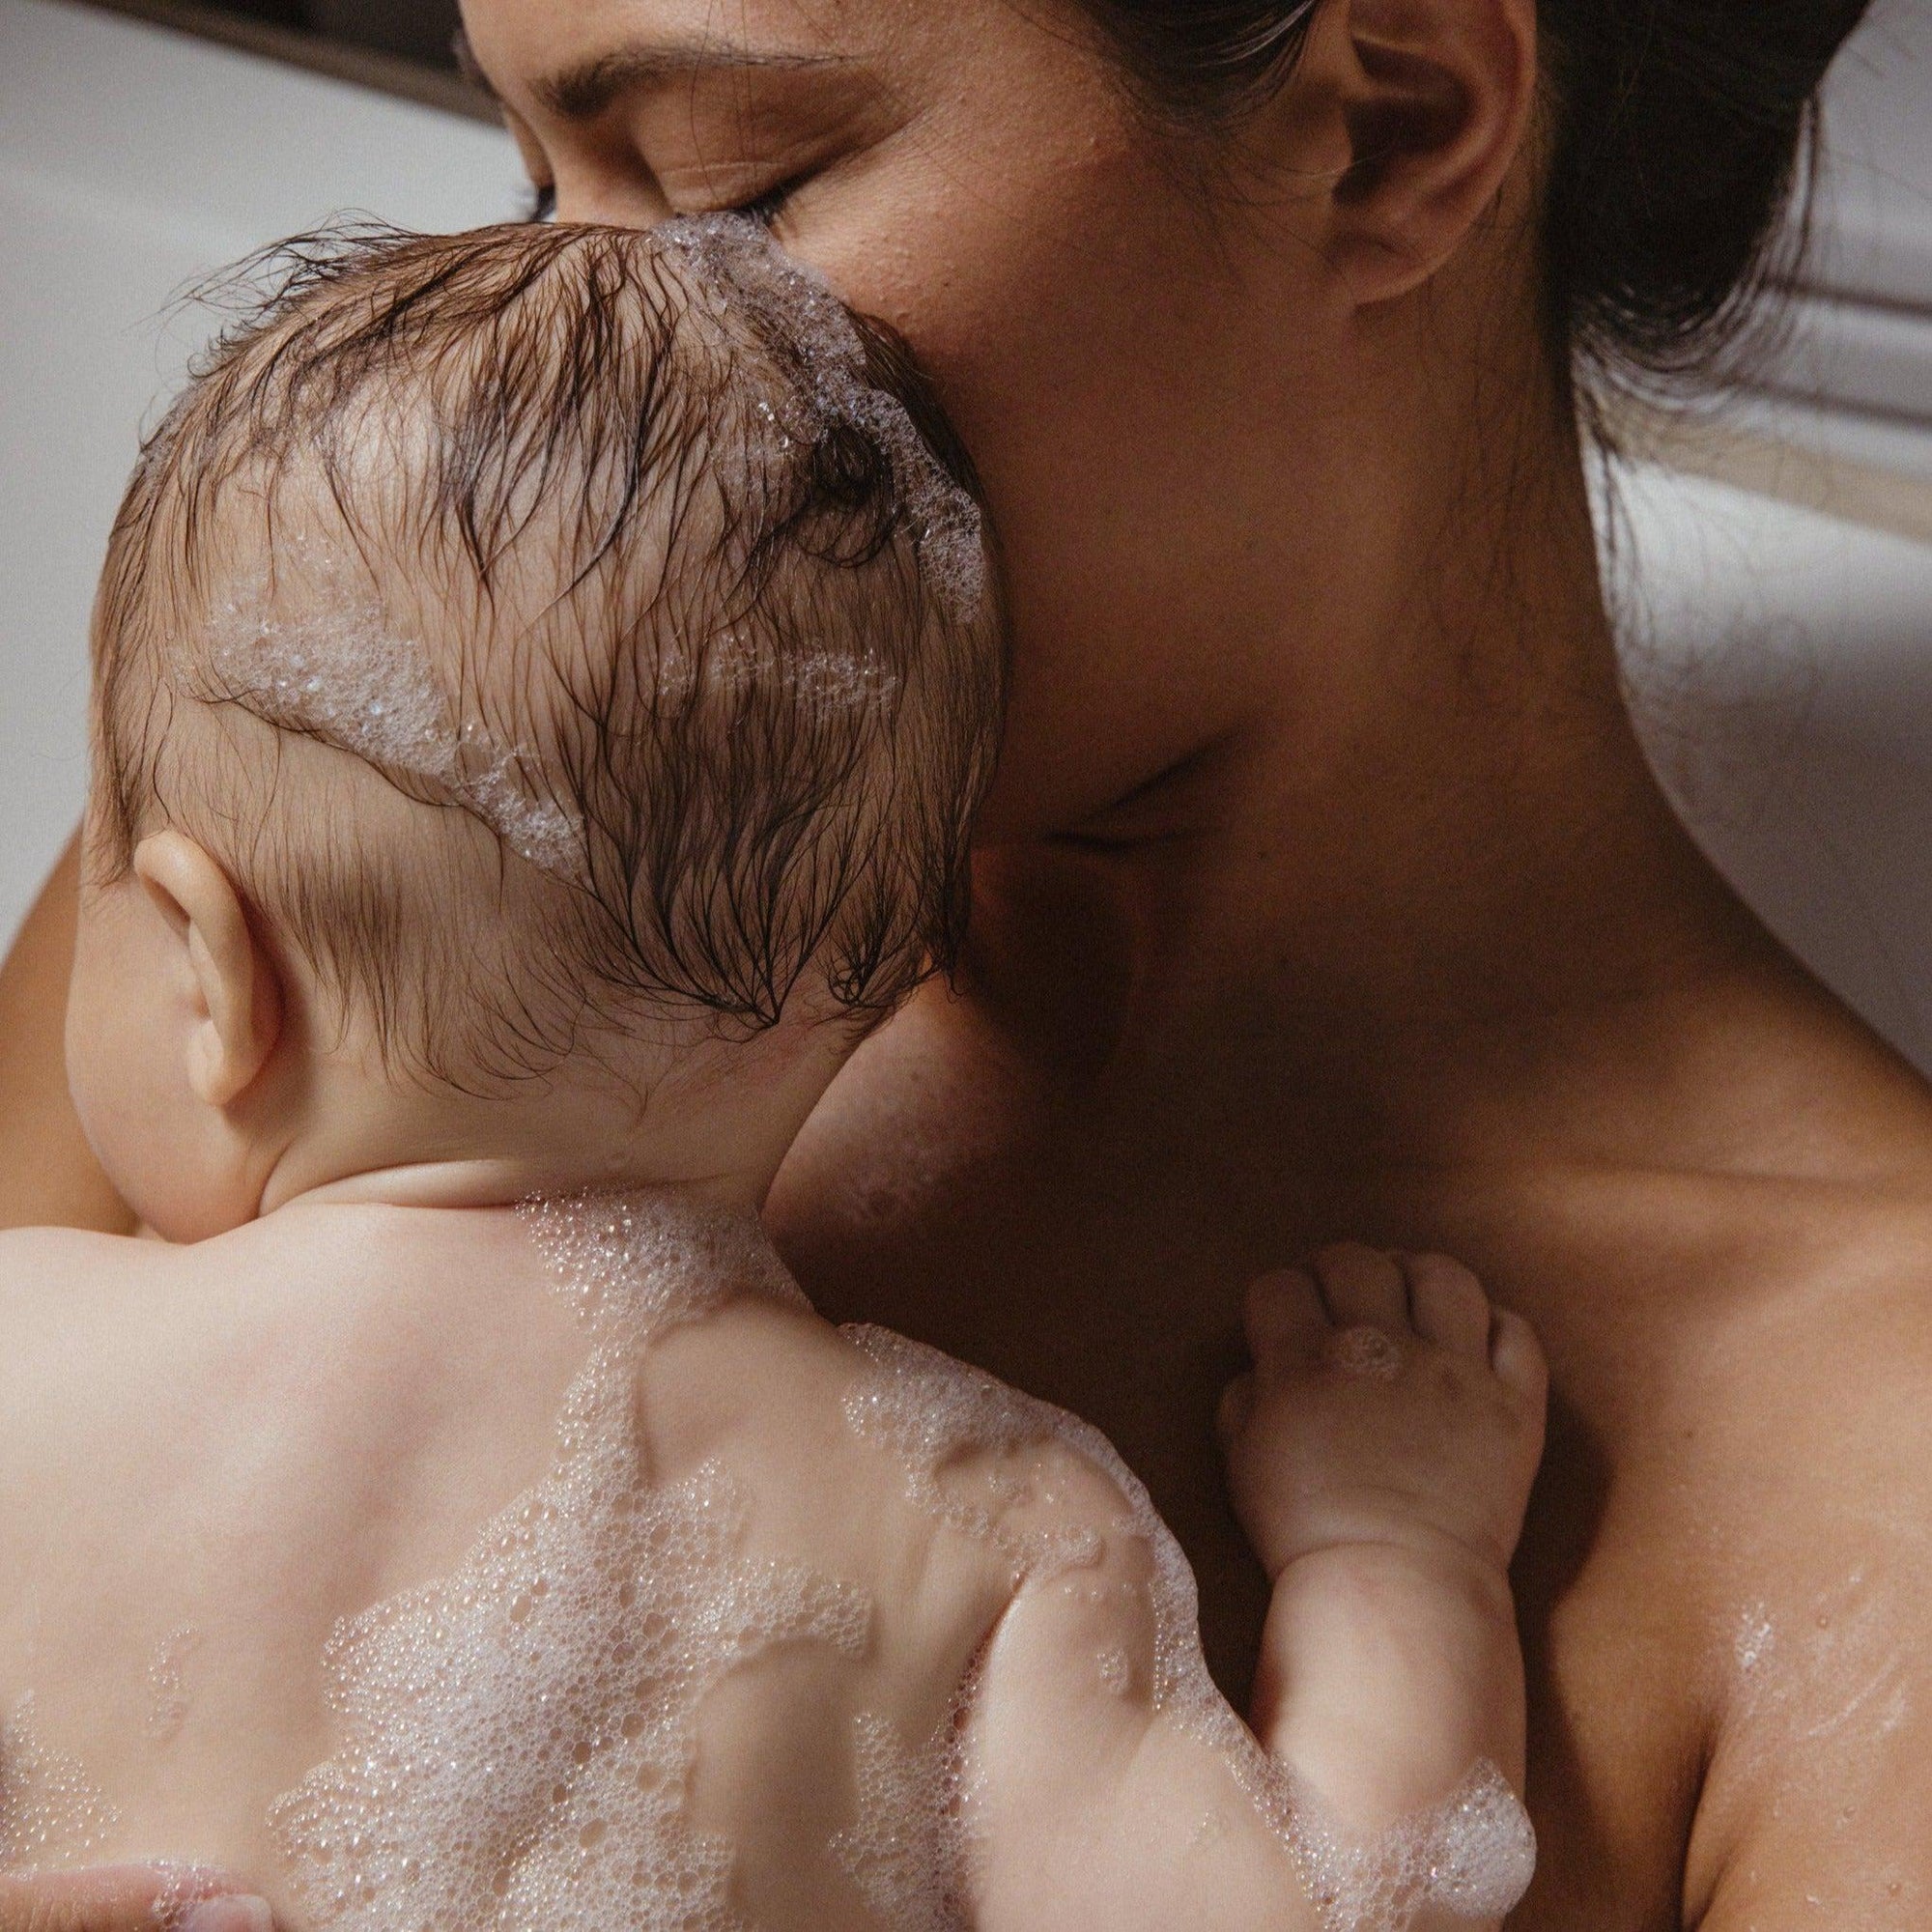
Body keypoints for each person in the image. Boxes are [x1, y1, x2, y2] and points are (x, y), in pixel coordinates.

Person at [4, 0, 1926, 1922]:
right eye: (527, 175)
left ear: (1393, 123)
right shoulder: (385, 805)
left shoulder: (1867, 1490)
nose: (568, 341)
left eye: (729, 191)